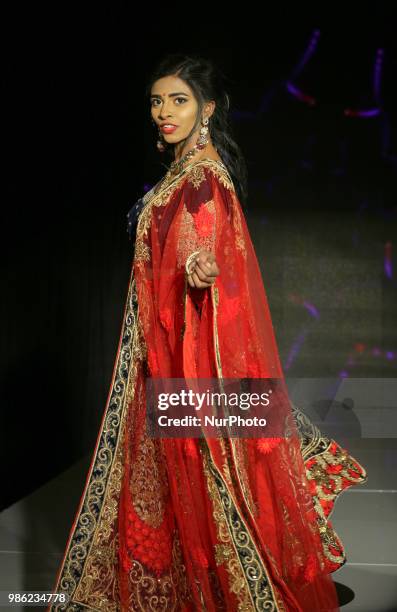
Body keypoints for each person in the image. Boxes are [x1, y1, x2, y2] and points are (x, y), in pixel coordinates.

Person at [48, 54, 367, 612]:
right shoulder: (182, 171)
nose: (163, 112)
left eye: (179, 100)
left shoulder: (202, 179)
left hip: (183, 359)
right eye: (156, 100)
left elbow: (203, 237)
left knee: (205, 471)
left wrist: (200, 263)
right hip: (163, 347)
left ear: (208, 108)